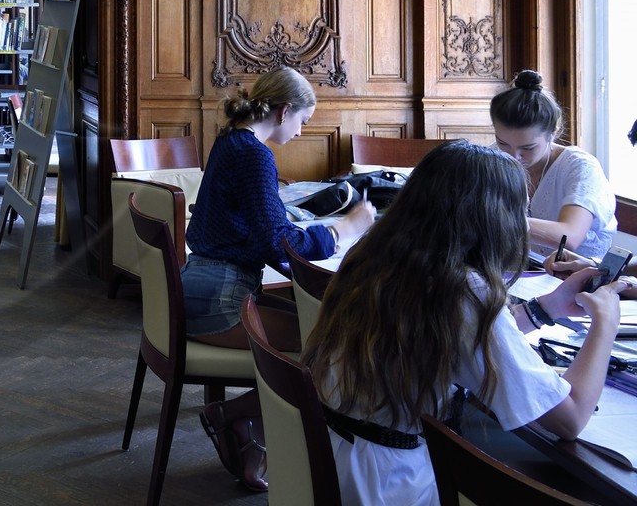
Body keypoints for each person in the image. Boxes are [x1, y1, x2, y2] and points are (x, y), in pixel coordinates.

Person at [306, 140, 618, 506]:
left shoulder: (377, 253)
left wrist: (546, 308)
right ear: (495, 218)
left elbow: (452, 336)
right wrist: (605, 324)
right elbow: (570, 419)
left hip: (336, 455)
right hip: (391, 484)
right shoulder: (464, 289)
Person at [183, 66, 376, 492]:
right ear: (285, 110)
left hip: (201, 285)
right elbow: (278, 244)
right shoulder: (254, 153)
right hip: (219, 299)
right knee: (331, 348)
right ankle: (233, 417)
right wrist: (348, 227)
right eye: (304, 121)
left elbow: (259, 231)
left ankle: (252, 436)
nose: (302, 130)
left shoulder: (232, 140)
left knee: (318, 326)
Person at [490, 69, 616, 259]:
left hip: (580, 277)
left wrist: (487, 220)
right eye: (503, 143)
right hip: (524, 270)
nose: (514, 156)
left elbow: (570, 237)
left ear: (553, 132)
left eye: (528, 147)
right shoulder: (492, 156)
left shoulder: (580, 167)